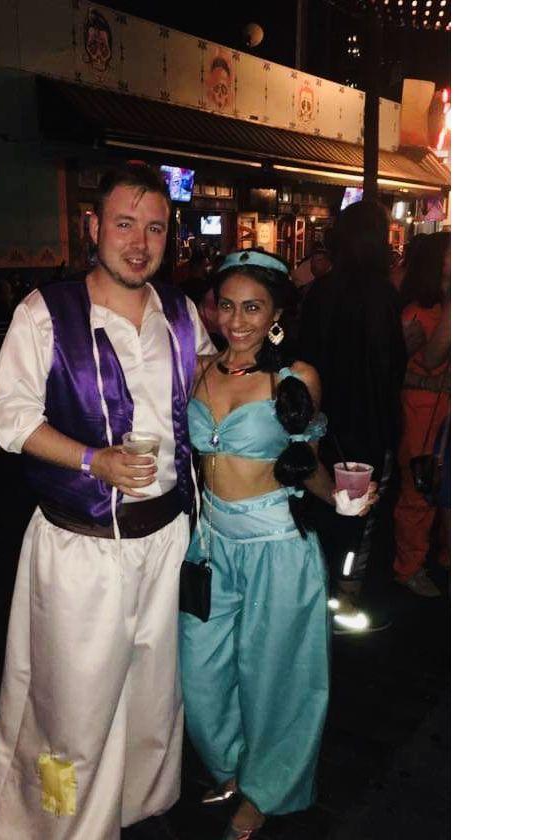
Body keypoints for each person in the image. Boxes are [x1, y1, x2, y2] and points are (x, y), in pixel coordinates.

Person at [0, 163, 214, 840]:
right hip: (80, 548)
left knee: (153, 693)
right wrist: (93, 459)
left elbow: (202, 385)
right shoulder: (45, 313)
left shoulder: (180, 312)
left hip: (167, 540)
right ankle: (53, 823)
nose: (139, 243)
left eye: (155, 229)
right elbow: (9, 418)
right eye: (124, 224)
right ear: (94, 227)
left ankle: (134, 804)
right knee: (69, 709)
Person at [179, 249, 377, 838]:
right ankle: (231, 766)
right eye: (226, 306)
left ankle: (266, 789)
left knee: (276, 678)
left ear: (275, 315)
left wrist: (340, 499)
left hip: (277, 548)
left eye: (252, 308)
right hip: (209, 547)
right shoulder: (197, 370)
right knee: (201, 672)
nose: (236, 321)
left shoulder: (296, 379)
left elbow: (307, 463)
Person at [299, 200, 407, 628]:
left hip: (323, 421)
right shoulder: (382, 295)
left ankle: (321, 593)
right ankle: (346, 600)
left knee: (323, 505)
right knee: (361, 513)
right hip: (367, 423)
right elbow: (389, 367)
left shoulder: (320, 291)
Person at [393, 232, 451, 596]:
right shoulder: (417, 311)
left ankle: (445, 554)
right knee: (420, 487)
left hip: (444, 410)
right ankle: (409, 567)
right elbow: (431, 359)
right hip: (422, 412)